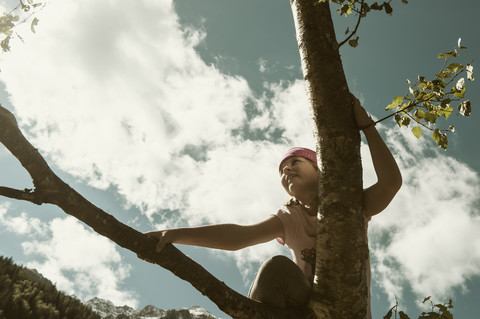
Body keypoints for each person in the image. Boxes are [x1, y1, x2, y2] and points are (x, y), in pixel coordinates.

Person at [142, 95, 402, 318]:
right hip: (307, 309)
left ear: (320, 170)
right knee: (275, 269)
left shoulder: (350, 205)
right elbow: (239, 237)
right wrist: (175, 234)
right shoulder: (290, 217)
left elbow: (390, 183)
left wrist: (367, 126)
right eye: (281, 170)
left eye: (295, 162)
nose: (287, 169)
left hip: (350, 312)